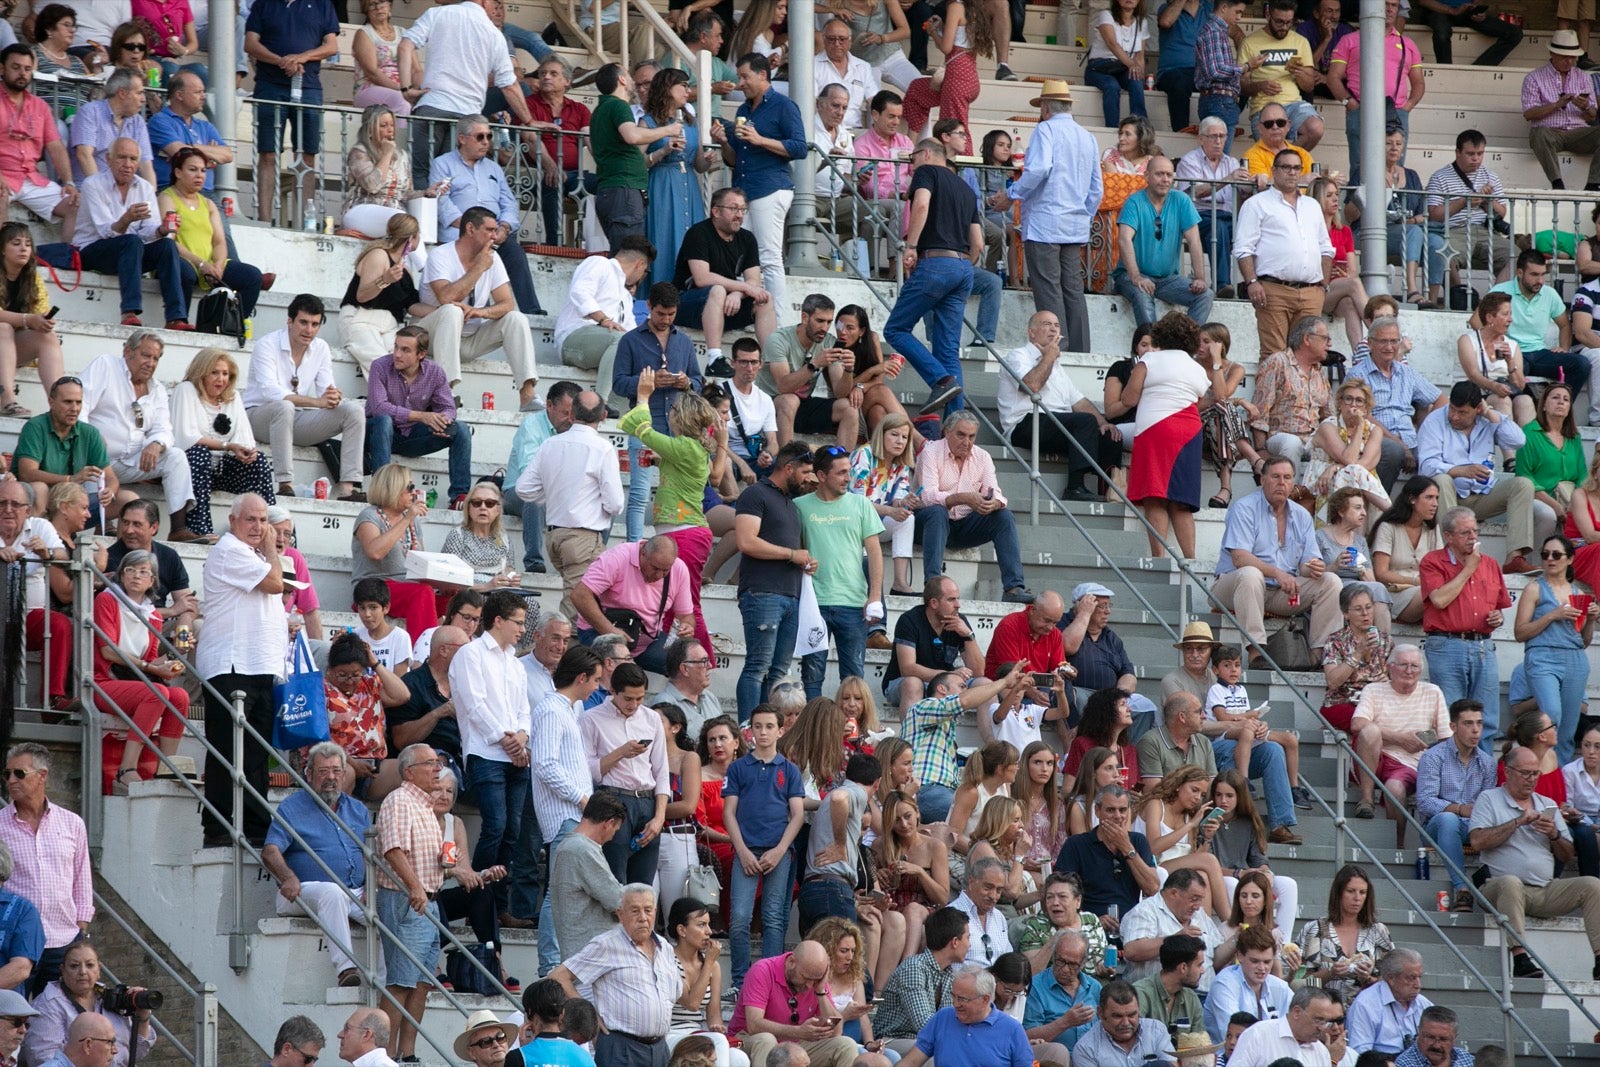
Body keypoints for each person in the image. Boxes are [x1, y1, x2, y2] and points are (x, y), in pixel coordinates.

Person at [193, 495, 284, 848]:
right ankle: (217, 827)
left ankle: (256, 826)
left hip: (257, 664)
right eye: (251, 520)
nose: (259, 527)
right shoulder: (230, 550)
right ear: (232, 521)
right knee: (227, 750)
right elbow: (275, 583)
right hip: (232, 665)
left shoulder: (252, 554)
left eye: (263, 520)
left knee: (256, 752)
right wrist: (275, 548)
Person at [1472, 741, 1600, 979]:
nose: (1531, 779)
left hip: (1543, 890)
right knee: (1510, 882)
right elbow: (1477, 841)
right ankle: (1520, 958)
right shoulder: (1489, 799)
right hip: (1499, 888)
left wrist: (1553, 834)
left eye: (1535, 774)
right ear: (1508, 772)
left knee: (1593, 885)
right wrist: (1518, 822)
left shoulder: (1546, 804)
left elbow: (1567, 855)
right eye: (1525, 773)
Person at [988, 82, 1098, 355]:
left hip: (1045, 222)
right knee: (1072, 289)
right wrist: (1083, 215)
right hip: (1073, 224)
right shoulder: (1088, 136)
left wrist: (1012, 193)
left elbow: (1038, 170)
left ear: (1045, 107)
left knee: (1048, 290)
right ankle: (1080, 351)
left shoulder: (1045, 129)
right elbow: (1097, 189)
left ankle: (1055, 351)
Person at [877, 139, 980, 419]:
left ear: (925, 154)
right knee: (948, 351)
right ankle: (956, 424)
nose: (911, 166)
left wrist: (911, 247)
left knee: (895, 330)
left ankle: (940, 380)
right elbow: (978, 243)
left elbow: (921, 205)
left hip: (935, 263)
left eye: (912, 159)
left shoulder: (926, 171)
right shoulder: (966, 189)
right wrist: (960, 267)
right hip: (962, 268)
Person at [1213, 455, 1344, 665]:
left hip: (1279, 592)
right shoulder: (1243, 507)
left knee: (1331, 582)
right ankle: (1257, 653)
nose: (1281, 483)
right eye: (1275, 476)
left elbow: (1305, 564)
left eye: (1287, 477)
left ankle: (1319, 656)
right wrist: (1278, 573)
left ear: (1293, 483)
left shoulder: (1302, 515)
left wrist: (1314, 567)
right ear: (1262, 479)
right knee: (1250, 574)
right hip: (1233, 586)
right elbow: (1239, 558)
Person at [259, 743, 371, 989]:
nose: (330, 777)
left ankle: (383, 981)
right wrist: (288, 877)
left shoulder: (358, 809)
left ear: (344, 774)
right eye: (323, 771)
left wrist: (372, 889)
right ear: (308, 774)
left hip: (353, 893)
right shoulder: (292, 807)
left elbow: (370, 856)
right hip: (301, 892)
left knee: (388, 908)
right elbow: (270, 851)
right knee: (332, 892)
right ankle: (346, 970)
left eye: (336, 771)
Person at [79, 331, 202, 541]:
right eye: (146, 356)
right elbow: (80, 404)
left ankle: (178, 529)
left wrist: (156, 444)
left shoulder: (158, 390)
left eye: (156, 358)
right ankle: (103, 522)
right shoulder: (106, 366)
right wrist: (92, 436)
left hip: (132, 461)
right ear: (128, 351)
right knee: (91, 453)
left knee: (176, 457)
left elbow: (165, 429)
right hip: (97, 457)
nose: (151, 363)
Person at [417, 204, 539, 410]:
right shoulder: (441, 254)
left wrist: (483, 312)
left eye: (496, 230)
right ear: (471, 229)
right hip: (430, 338)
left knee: (516, 319)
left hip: (469, 341)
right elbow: (447, 297)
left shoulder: (494, 257)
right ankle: (444, 391)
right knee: (451, 310)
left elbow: (507, 303)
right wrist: (478, 268)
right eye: (490, 230)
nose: (495, 236)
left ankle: (527, 395)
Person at [426, 113, 544, 327]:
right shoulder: (443, 164)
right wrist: (471, 229)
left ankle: (532, 311)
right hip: (461, 234)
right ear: (462, 138)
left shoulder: (494, 168)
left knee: (515, 252)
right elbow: (441, 203)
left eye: (489, 136)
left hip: (492, 234)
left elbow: (509, 203)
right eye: (480, 137)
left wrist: (505, 227)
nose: (486, 142)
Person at [397, 0, 531, 187]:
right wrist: (530, 122)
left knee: (419, 174)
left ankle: (420, 216)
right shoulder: (494, 33)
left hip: (432, 106)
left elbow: (404, 46)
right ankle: (442, 217)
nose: (497, 8)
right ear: (484, 2)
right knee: (450, 181)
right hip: (467, 117)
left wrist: (405, 89)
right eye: (495, 3)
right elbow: (509, 85)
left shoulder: (437, 13)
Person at [243, 295, 365, 501]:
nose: (309, 330)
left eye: (315, 324)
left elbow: (325, 389)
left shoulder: (321, 347)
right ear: (289, 321)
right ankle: (285, 484)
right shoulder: (267, 344)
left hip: (296, 419)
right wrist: (318, 402)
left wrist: (333, 396)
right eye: (303, 322)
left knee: (354, 411)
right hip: (258, 417)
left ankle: (348, 488)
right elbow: (270, 392)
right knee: (284, 406)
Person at [90, 550, 188, 793]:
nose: (136, 576)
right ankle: (126, 769)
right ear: (121, 575)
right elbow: (108, 652)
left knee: (180, 697)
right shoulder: (107, 599)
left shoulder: (152, 614)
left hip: (133, 682)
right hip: (103, 681)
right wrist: (151, 668)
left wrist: (173, 655)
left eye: (144, 571)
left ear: (152, 580)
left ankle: (166, 766)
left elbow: (151, 660)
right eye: (130, 570)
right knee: (156, 694)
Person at [997, 312, 1121, 504]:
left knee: (1111, 435)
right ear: (1031, 333)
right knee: (1084, 422)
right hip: (1024, 423)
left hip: (1058, 424)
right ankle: (1075, 487)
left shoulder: (1056, 365)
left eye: (1057, 325)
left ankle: (1107, 493)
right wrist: (1049, 357)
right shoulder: (1018, 356)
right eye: (1047, 324)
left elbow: (1079, 402)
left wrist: (1104, 423)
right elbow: (1032, 386)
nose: (1054, 329)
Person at [723, 703, 806, 986]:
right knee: (740, 917)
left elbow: (797, 815)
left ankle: (769, 982)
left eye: (770, 726)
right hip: (746, 851)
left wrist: (781, 849)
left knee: (773, 917)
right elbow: (728, 813)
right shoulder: (738, 768)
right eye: (757, 726)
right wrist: (743, 851)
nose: (763, 732)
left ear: (781, 731)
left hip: (778, 852)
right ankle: (739, 982)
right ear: (749, 731)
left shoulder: (790, 770)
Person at [549, 886, 680, 1067]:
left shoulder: (664, 947)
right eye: (635, 911)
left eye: (648, 910)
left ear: (655, 912)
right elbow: (559, 976)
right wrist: (590, 1014)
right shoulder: (606, 945)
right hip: (620, 1047)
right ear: (620, 914)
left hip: (659, 1048)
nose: (643, 917)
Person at [711, 54, 802, 310]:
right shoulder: (743, 109)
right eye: (739, 77)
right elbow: (733, 159)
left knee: (769, 258)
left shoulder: (784, 105)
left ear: (763, 75)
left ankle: (778, 320)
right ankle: (754, 315)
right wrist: (724, 142)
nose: (740, 83)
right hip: (745, 191)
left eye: (744, 76)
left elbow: (799, 147)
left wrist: (760, 139)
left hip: (771, 187)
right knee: (745, 256)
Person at [913, 410, 1033, 602]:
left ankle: (1013, 588)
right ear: (946, 432)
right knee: (936, 511)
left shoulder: (982, 457)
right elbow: (927, 497)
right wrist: (964, 498)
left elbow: (997, 493)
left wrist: (994, 503)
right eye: (961, 435)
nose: (966, 442)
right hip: (929, 526)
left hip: (964, 526)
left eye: (971, 436)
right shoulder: (931, 451)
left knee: (1004, 516)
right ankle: (932, 585)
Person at [733, 443, 814, 718]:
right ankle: (746, 730)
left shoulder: (791, 504)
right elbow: (745, 541)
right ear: (788, 468)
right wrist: (792, 554)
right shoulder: (755, 494)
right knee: (758, 667)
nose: (809, 479)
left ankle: (769, 731)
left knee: (779, 672)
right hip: (762, 593)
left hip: (790, 595)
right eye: (805, 472)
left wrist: (803, 562)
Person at [72, 135, 186, 332]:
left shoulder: (144, 187)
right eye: (121, 157)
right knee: (131, 241)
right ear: (108, 159)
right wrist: (126, 219)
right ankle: (129, 312)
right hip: (93, 250)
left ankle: (176, 317)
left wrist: (161, 230)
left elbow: (148, 230)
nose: (127, 164)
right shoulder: (93, 184)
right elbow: (105, 231)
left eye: (133, 159)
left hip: (130, 252)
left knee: (166, 245)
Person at [373, 745, 445, 1059]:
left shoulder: (425, 806)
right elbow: (392, 849)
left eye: (438, 763)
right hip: (408, 899)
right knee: (401, 981)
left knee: (421, 983)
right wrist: (415, 887)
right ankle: (382, 1058)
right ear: (408, 771)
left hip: (427, 900)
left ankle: (407, 1055)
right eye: (430, 763)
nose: (437, 769)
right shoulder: (400, 800)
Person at [0, 744, 88, 998]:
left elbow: (81, 878)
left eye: (19, 773)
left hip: (62, 939)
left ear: (42, 776)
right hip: (16, 941)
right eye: (7, 775)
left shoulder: (72, 823)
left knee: (59, 1020)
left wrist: (81, 928)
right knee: (9, 1017)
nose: (11, 780)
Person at [1124, 312, 1210, 558]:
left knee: (1155, 497)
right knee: (1182, 501)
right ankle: (1191, 559)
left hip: (1155, 429)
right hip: (1190, 431)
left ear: (1160, 335)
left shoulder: (1149, 360)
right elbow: (1201, 400)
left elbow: (1129, 399)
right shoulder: (1197, 368)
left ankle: (1158, 558)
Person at [243, 0, 337, 223]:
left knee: (307, 156)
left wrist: (302, 57)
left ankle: (306, 221)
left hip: (308, 86)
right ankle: (264, 219)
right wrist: (282, 61)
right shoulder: (263, 4)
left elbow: (332, 46)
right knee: (268, 153)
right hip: (269, 85)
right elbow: (250, 44)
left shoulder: (322, 4)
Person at [169, 348, 275, 540]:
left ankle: (271, 530)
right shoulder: (185, 390)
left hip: (222, 470)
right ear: (201, 372)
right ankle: (200, 529)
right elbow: (185, 438)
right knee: (198, 452)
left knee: (258, 461)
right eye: (215, 372)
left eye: (225, 374)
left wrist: (246, 452)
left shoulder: (232, 397)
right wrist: (228, 446)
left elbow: (245, 439)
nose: (221, 379)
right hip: (190, 470)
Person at [1234, 151, 1334, 356]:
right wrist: (1252, 282)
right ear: (1274, 170)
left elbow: (1325, 247)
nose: (1292, 172)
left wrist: (1323, 285)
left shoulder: (1312, 205)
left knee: (1309, 355)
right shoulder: (1256, 203)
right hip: (1273, 289)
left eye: (1297, 168)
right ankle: (1271, 391)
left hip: (1311, 292)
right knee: (1274, 356)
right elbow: (1243, 248)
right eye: (1286, 167)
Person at [674, 188, 778, 374]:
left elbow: (754, 280)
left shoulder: (747, 238)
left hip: (724, 307)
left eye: (742, 210)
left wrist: (738, 294)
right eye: (733, 209)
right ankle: (714, 359)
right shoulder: (698, 233)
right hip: (687, 304)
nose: (739, 215)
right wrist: (742, 288)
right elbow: (702, 278)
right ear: (716, 211)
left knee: (764, 298)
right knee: (718, 290)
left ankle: (772, 362)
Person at [1515, 534, 1598, 764]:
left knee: (1569, 729)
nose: (1550, 559)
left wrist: (1591, 620)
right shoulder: (1534, 589)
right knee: (1552, 715)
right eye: (1545, 555)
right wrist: (1553, 614)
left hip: (1574, 658)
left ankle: (1557, 783)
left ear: (1570, 559)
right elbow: (1520, 632)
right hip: (1542, 655)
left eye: (1556, 555)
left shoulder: (1579, 594)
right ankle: (1538, 770)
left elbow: (1582, 641)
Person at [364, 326, 471, 505]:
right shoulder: (380, 366)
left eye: (405, 350)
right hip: (379, 436)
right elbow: (378, 408)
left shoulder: (435, 372)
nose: (397, 354)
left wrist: (442, 420)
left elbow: (448, 407)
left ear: (421, 354)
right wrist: (422, 416)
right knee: (383, 421)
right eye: (396, 347)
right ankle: (383, 492)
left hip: (413, 437)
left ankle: (460, 497)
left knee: (461, 429)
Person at [1326, 0, 1421, 179]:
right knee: (1360, 167)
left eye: (1394, 5)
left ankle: (1393, 206)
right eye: (1385, 4)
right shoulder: (1349, 40)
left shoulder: (1408, 44)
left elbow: (1419, 83)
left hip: (1396, 111)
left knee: (1395, 168)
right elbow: (1333, 78)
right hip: (1361, 109)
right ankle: (1357, 207)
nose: (1390, 9)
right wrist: (1350, 103)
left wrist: (1406, 108)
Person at [1414, 699, 1494, 912]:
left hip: (1474, 826)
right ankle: (1462, 890)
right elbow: (1425, 801)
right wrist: (1459, 809)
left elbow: (1488, 805)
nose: (1476, 730)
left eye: (1479, 723)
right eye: (1468, 724)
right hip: (1436, 826)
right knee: (1448, 819)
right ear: (1453, 727)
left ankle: (1493, 885)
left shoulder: (1487, 763)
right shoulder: (1433, 757)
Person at [1113, 156, 1213, 327]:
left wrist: (1200, 278)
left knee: (1205, 295)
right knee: (1142, 293)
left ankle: (1184, 344)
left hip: (1168, 280)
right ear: (1146, 176)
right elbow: (1124, 240)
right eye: (1159, 174)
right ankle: (1151, 347)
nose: (1165, 179)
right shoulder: (1134, 202)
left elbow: (1194, 241)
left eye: (1169, 175)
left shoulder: (1181, 200)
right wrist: (1136, 277)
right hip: (1131, 276)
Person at [1348, 318, 1444, 490]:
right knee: (1394, 452)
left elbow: (1441, 399)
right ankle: (1377, 507)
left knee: (1437, 457)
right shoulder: (1358, 374)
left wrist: (1426, 431)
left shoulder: (1406, 372)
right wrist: (1400, 445)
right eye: (1383, 341)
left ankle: (1423, 513)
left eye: (1394, 341)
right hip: (1373, 438)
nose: (1389, 347)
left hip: (1409, 438)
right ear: (1370, 343)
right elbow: (1362, 416)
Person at [555, 237, 654, 401]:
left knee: (637, 348)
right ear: (640, 265)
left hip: (607, 347)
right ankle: (599, 401)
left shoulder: (626, 297)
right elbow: (580, 292)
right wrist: (603, 319)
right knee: (622, 340)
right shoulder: (600, 263)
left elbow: (631, 333)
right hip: (573, 337)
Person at [23, 945, 154, 1067]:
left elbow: (136, 1054)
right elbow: (43, 1059)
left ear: (99, 970)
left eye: (90, 965)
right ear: (62, 970)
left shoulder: (113, 998)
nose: (83, 972)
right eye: (74, 966)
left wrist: (142, 1016)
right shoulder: (48, 1004)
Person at [0, 47, 78, 240]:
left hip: (32, 178)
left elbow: (56, 147)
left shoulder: (40, 106)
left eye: (27, 69)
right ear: (2, 69)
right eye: (16, 67)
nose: (22, 73)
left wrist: (68, 182)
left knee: (75, 205)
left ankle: (66, 259)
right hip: (3, 175)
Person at [1054, 785, 1161, 919]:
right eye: (1110, 810)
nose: (1118, 816)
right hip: (1089, 923)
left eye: (1122, 810)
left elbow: (1152, 888)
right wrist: (1092, 920)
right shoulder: (1076, 844)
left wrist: (1127, 849)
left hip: (1131, 922)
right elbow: (1060, 892)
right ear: (1097, 811)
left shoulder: (1138, 841)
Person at [894, 966, 1032, 1067]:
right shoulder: (943, 1018)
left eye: (963, 999)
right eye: (953, 996)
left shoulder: (1012, 1029)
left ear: (985, 999)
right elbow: (911, 1061)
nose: (955, 1004)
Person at [547, 792, 627, 962]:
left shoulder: (570, 846)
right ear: (609, 823)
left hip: (583, 956)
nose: (613, 836)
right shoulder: (582, 849)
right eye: (615, 829)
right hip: (591, 959)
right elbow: (617, 900)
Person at [1424, 131, 1511, 283]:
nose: (1476, 158)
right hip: (1454, 231)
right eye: (1470, 153)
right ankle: (1458, 297)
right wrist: (1464, 202)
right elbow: (1434, 216)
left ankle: (1494, 302)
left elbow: (1502, 213)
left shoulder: (1491, 176)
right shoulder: (1440, 177)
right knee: (1442, 255)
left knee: (1517, 258)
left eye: (1480, 153)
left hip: (1486, 232)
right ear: (1458, 152)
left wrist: (1486, 201)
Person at [1238, 0, 1322, 147]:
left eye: (1289, 22)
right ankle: (1281, 162)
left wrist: (1299, 73)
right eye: (1279, 22)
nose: (1284, 27)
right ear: (1268, 15)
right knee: (1272, 142)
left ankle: (1286, 161)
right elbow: (1241, 87)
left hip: (1294, 103)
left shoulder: (1301, 42)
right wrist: (1260, 86)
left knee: (1316, 128)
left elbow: (1309, 87)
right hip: (1264, 106)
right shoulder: (1249, 43)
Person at [0, 222, 62, 419]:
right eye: (16, 243)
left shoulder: (32, 279)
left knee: (47, 337)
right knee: (3, 328)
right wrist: (28, 320)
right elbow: (27, 320)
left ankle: (60, 403)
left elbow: (38, 314)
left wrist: (41, 322)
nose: (24, 248)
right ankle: (7, 400)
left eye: (27, 244)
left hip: (9, 349)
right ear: (2, 250)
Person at [1204, 923, 1291, 1041]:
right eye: (1255, 961)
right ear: (1240, 956)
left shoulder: (1280, 987)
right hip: (1227, 1056)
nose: (1262, 968)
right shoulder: (1224, 983)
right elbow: (1236, 1036)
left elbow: (1297, 1026)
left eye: (1267, 962)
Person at [1225, 987, 1342, 1067]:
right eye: (1318, 1020)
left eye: (1325, 1022)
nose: (1322, 1028)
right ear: (1297, 1012)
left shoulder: (1321, 1052)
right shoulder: (1258, 1035)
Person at [1070, 981, 1175, 1067]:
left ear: (1138, 1010)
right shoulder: (1086, 1049)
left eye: (1131, 1015)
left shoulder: (1156, 1030)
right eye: (1117, 1016)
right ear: (1100, 1013)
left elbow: (1172, 1064)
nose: (1125, 1023)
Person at [1345, 949, 1428, 1055]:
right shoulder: (1365, 1005)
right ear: (1391, 978)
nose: (1418, 985)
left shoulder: (1423, 1003)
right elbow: (1360, 1056)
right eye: (1411, 978)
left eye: (1419, 977)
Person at [1133, 932, 1205, 1039]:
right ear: (1183, 967)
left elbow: (1199, 1044)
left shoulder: (1191, 998)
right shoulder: (1140, 994)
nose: (1202, 971)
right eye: (1199, 965)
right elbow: (1134, 1040)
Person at [1394, 1008, 1471, 1067]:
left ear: (1455, 1038)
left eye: (1443, 1039)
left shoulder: (1467, 1059)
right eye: (1430, 1037)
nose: (1436, 1045)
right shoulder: (1404, 1064)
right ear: (1419, 1032)